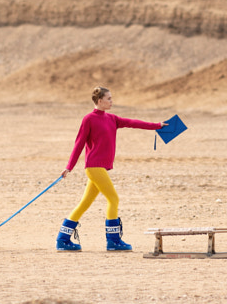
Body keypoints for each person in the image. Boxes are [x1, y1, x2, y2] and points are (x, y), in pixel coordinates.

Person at [56, 86, 165, 252]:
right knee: (113, 199)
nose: (111, 101)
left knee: (85, 203)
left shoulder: (112, 118)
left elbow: (133, 123)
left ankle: (62, 239)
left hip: (100, 168)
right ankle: (113, 241)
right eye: (109, 99)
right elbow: (79, 144)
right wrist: (69, 167)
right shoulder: (89, 119)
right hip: (94, 167)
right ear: (99, 101)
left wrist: (157, 126)